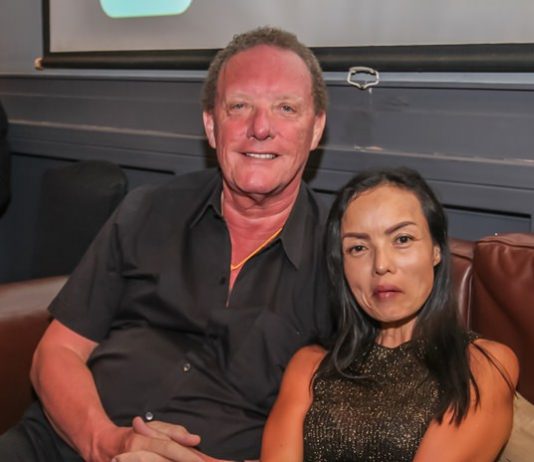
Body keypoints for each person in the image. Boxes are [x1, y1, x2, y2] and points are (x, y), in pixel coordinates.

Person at [0, 27, 332, 462]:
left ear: (316, 128)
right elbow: (57, 352)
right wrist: (105, 442)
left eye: (285, 108)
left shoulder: (344, 255)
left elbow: (353, 433)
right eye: (239, 106)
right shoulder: (148, 210)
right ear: (211, 125)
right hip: (63, 445)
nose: (260, 128)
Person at [261, 167, 519, 462]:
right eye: (358, 247)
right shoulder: (309, 367)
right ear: (342, 265)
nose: (381, 265)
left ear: (436, 250)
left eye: (402, 239)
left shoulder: (480, 365)